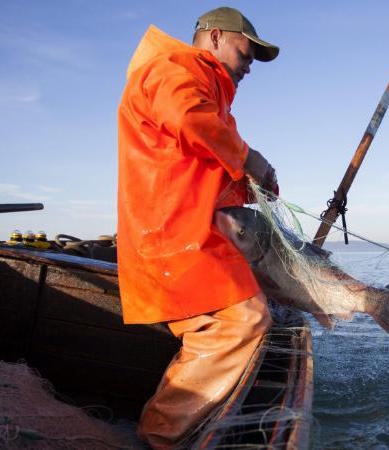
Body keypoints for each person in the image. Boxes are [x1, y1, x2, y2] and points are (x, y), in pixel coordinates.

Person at [117, 7, 279, 448]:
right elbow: (188, 118)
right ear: (213, 38)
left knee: (249, 312)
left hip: (196, 234)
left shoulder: (213, 96)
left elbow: (202, 163)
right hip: (174, 237)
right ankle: (159, 438)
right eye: (246, 53)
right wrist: (250, 159)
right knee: (241, 321)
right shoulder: (177, 67)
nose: (248, 66)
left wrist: (250, 184)